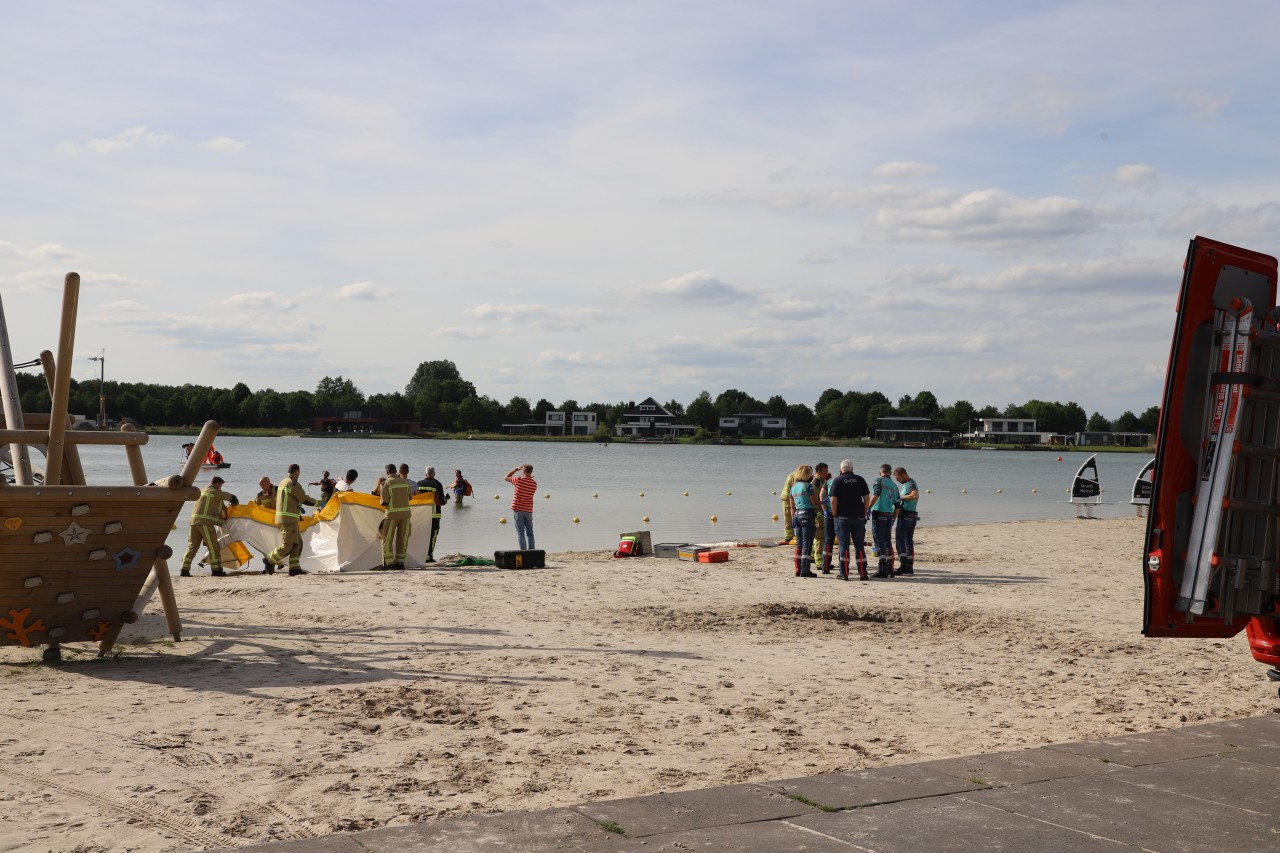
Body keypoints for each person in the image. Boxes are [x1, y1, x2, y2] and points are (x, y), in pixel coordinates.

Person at [180, 476, 238, 577]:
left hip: (193, 522)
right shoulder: (215, 492)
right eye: (221, 485)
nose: (221, 488)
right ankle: (216, 570)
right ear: (217, 483)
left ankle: (184, 569)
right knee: (213, 546)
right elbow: (231, 497)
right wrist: (235, 503)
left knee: (192, 546)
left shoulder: (202, 491)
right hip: (205, 522)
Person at [266, 463, 317, 576]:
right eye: (299, 472)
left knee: (297, 543)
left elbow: (290, 499)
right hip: (288, 518)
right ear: (296, 472)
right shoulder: (293, 483)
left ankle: (294, 568)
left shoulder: (283, 482)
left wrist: (298, 506)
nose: (299, 474)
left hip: (287, 517)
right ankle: (269, 560)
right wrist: (319, 503)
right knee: (289, 544)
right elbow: (303, 498)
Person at [828, 459, 872, 581]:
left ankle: (844, 573)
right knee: (859, 545)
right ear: (852, 469)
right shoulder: (860, 479)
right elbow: (867, 498)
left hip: (842, 518)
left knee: (844, 546)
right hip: (858, 517)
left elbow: (833, 500)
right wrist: (864, 512)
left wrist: (834, 513)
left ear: (841, 469)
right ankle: (863, 572)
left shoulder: (837, 480)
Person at [377, 463, 413, 570]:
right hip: (406, 515)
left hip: (392, 514)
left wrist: (379, 500)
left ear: (387, 472)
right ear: (395, 471)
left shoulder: (385, 484)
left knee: (387, 539)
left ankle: (389, 563)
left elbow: (384, 502)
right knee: (403, 538)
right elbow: (410, 498)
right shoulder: (405, 482)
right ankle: (400, 563)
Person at [787, 464, 818, 577]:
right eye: (810, 473)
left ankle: (797, 568)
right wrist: (821, 502)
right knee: (807, 543)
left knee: (799, 544)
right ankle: (805, 570)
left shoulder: (793, 487)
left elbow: (792, 507)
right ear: (807, 474)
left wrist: (793, 520)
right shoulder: (808, 486)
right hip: (807, 514)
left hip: (796, 514)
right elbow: (813, 502)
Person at [870, 463, 900, 578]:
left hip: (878, 513)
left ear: (880, 472)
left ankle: (882, 569)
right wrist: (894, 518)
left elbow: (876, 495)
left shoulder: (878, 481)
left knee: (879, 541)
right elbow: (897, 506)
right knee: (887, 542)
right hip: (889, 515)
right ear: (890, 473)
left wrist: (867, 507)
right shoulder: (895, 486)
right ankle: (890, 569)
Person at [417, 465, 448, 562]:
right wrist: (446, 499)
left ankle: (420, 554)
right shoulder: (437, 484)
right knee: (433, 534)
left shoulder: (419, 483)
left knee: (422, 534)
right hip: (434, 514)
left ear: (425, 474)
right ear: (434, 474)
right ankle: (429, 556)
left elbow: (416, 499)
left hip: (422, 514)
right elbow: (440, 502)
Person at [894, 467, 920, 575]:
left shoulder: (910, 483)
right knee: (908, 540)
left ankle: (904, 564)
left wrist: (900, 498)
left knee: (900, 540)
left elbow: (914, 495)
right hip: (911, 515)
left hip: (906, 515)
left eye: (898, 478)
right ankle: (909, 565)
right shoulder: (907, 484)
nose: (898, 480)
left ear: (903, 474)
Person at [504, 463, 537, 550]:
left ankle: (523, 552)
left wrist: (515, 469)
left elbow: (506, 477)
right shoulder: (534, 484)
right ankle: (532, 552)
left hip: (518, 509)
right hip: (528, 510)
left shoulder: (518, 480)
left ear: (523, 471)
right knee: (530, 533)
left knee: (520, 533)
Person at [813, 463, 834, 572]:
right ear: (819, 471)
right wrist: (819, 514)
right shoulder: (816, 483)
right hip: (818, 514)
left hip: (821, 513)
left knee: (819, 537)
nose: (827, 473)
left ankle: (815, 558)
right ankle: (819, 562)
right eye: (825, 471)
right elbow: (815, 501)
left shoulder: (822, 482)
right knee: (820, 538)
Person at [779, 468, 797, 544]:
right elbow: (796, 488)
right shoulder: (795, 476)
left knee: (788, 518)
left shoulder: (793, 474)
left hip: (787, 497)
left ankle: (789, 536)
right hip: (788, 498)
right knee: (788, 517)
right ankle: (788, 537)